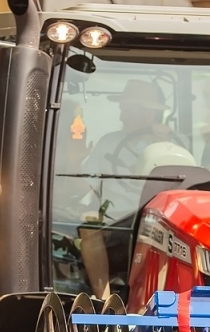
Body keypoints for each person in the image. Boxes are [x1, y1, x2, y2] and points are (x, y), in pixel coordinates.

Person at [78, 78, 184, 298]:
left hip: (160, 218)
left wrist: (165, 142)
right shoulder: (108, 142)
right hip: (116, 218)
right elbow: (88, 183)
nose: (121, 115)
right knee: (88, 229)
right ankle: (104, 301)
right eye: (123, 108)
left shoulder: (174, 143)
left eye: (127, 109)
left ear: (147, 113)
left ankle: (161, 299)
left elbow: (186, 185)